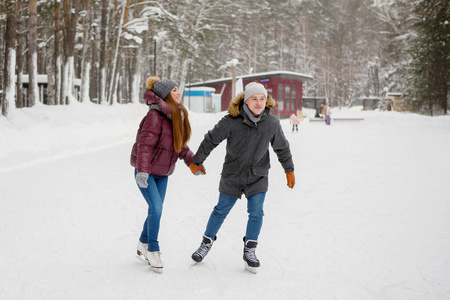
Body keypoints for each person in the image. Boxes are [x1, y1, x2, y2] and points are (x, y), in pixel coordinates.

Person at [188, 82, 295, 273]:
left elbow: (282, 148)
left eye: (262, 99)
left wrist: (289, 170)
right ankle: (206, 242)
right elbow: (211, 139)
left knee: (256, 212)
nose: (259, 102)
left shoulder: (272, 124)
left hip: (258, 176)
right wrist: (197, 160)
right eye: (254, 98)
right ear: (246, 100)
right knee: (220, 210)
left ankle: (250, 249)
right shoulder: (231, 121)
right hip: (233, 175)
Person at [130, 76, 202, 272]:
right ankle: (153, 249)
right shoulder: (154, 117)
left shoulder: (174, 115)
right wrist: (143, 171)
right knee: (157, 209)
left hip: (163, 173)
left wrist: (192, 163)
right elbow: (144, 147)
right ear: (165, 95)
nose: (179, 93)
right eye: (174, 90)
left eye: (178, 89)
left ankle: (142, 243)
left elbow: (180, 145)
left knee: (156, 209)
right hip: (146, 173)